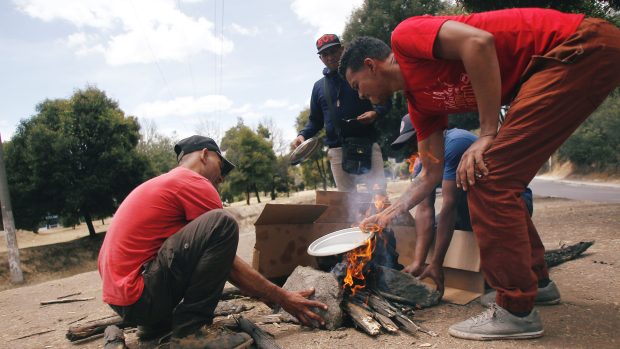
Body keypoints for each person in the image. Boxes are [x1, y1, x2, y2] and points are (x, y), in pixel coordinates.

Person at [338, 8, 620, 341]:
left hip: (574, 45)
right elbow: (429, 175)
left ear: (371, 64)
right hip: (554, 65)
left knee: (488, 178)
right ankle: (537, 282)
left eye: (357, 85)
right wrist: (390, 212)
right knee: (494, 178)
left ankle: (516, 310)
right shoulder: (421, 105)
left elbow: (479, 42)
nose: (360, 96)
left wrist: (488, 133)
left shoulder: (405, 37)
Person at [98, 135, 327, 348]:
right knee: (222, 223)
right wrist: (282, 297)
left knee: (206, 230)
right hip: (141, 293)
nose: (222, 177)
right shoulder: (192, 181)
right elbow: (230, 266)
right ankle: (191, 331)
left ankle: (154, 326)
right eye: (221, 166)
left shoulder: (164, 184)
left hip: (125, 302)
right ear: (204, 155)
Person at [391, 115, 534, 297]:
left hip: (510, 204)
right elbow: (424, 209)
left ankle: (506, 281)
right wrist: (419, 262)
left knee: (455, 214)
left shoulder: (455, 143)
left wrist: (436, 263)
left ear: (432, 132)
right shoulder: (422, 164)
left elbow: (450, 206)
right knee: (432, 226)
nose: (413, 148)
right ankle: (473, 268)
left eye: (414, 140)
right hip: (469, 210)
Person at [292, 33, 389, 192]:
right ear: (320, 58)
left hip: (368, 144)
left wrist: (376, 113)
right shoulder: (318, 87)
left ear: (343, 50)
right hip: (337, 151)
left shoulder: (360, 73)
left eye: (334, 51)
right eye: (325, 54)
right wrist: (302, 135)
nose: (330, 57)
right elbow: (315, 120)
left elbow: (383, 100)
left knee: (379, 195)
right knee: (347, 202)